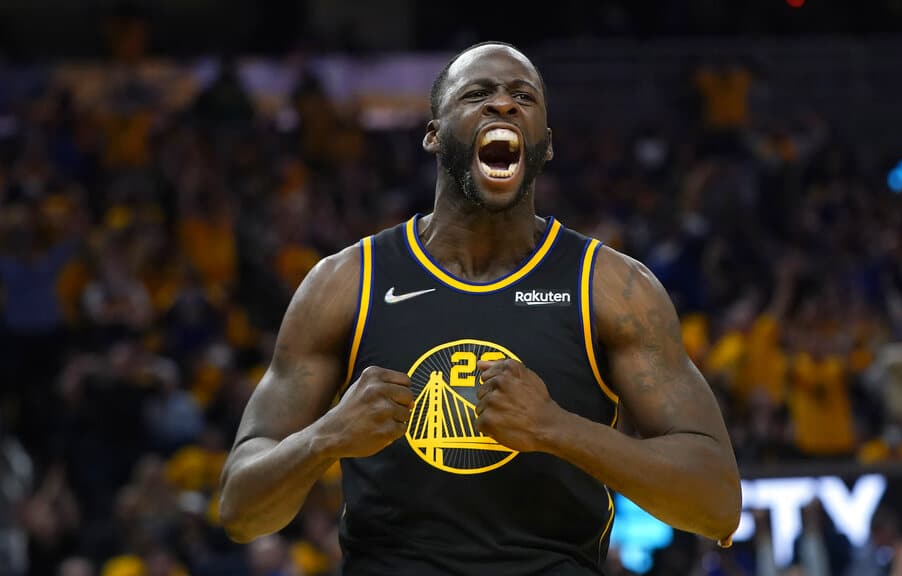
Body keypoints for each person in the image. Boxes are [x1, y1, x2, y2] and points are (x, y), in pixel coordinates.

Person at [218, 41, 741, 575]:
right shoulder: (345, 283)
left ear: (547, 144)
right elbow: (241, 510)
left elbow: (717, 504)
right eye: (477, 93)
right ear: (434, 134)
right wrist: (327, 436)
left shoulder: (613, 288)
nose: (503, 104)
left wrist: (555, 428)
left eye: (523, 96)